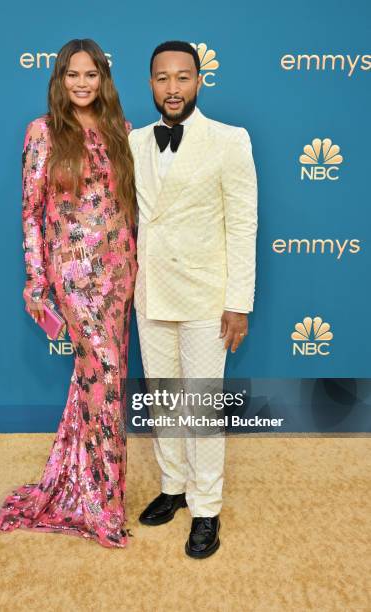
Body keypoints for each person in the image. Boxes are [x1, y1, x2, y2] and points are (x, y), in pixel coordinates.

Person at [0, 39, 138, 549]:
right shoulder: (43, 132)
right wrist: (36, 280)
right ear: (60, 78)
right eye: (73, 74)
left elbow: (128, 208)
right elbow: (31, 211)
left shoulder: (120, 131)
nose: (82, 83)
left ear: (103, 79)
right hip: (74, 275)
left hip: (121, 271)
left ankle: (86, 487)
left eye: (91, 75)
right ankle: (102, 508)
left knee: (100, 381)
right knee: (104, 377)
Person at [128, 40, 258, 558]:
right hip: (151, 291)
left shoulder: (230, 140)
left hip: (207, 296)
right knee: (164, 400)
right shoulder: (135, 141)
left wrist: (238, 301)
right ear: (151, 83)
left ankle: (207, 509)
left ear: (199, 81)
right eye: (163, 78)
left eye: (183, 77)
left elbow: (243, 223)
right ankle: (174, 486)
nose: (173, 87)